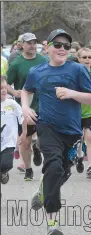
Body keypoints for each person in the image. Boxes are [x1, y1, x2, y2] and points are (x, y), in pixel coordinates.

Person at [22, 29, 91, 235]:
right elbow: (26, 90)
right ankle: (52, 223)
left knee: (62, 173)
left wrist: (72, 93)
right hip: (47, 126)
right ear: (47, 47)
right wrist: (26, 108)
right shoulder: (37, 71)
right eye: (58, 45)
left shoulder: (77, 70)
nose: (62, 49)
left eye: (66, 46)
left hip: (72, 132)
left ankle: (42, 189)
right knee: (54, 167)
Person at [6, 32, 47, 179]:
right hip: (24, 107)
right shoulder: (16, 64)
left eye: (34, 42)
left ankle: (37, 148)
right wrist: (14, 92)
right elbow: (5, 83)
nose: (32, 46)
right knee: (25, 140)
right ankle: (28, 169)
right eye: (29, 43)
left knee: (43, 139)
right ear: (21, 45)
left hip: (43, 105)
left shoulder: (43, 60)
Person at [77, 47, 91, 179]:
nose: (87, 60)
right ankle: (79, 155)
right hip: (76, 110)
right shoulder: (74, 73)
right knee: (78, 138)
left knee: (89, 138)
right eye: (84, 57)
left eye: (89, 57)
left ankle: (90, 166)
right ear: (78, 59)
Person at [1, 76, 25, 193]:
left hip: (8, 142)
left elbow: (23, 118)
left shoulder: (11, 104)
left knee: (6, 164)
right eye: (1, 88)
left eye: (5, 88)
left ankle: (3, 171)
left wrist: (24, 133)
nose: (4, 90)